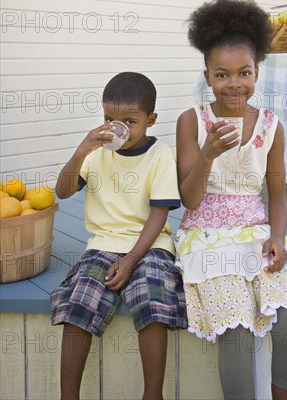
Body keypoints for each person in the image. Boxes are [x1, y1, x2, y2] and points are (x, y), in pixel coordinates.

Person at [174, 0, 287, 400]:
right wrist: (208, 154)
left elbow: (276, 194)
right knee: (235, 325)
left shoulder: (271, 126)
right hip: (205, 233)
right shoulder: (191, 121)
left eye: (244, 73)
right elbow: (188, 198)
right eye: (222, 75)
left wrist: (277, 236)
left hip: (256, 229)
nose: (233, 84)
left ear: (257, 72)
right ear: (207, 76)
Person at [51, 72, 187, 400]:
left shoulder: (160, 155)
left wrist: (130, 261)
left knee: (152, 300)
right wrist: (81, 151)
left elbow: (159, 214)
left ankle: (152, 394)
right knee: (79, 303)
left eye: (129, 121)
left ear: (150, 120)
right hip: (104, 244)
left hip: (150, 245)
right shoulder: (97, 152)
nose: (118, 129)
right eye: (109, 119)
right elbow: (63, 191)